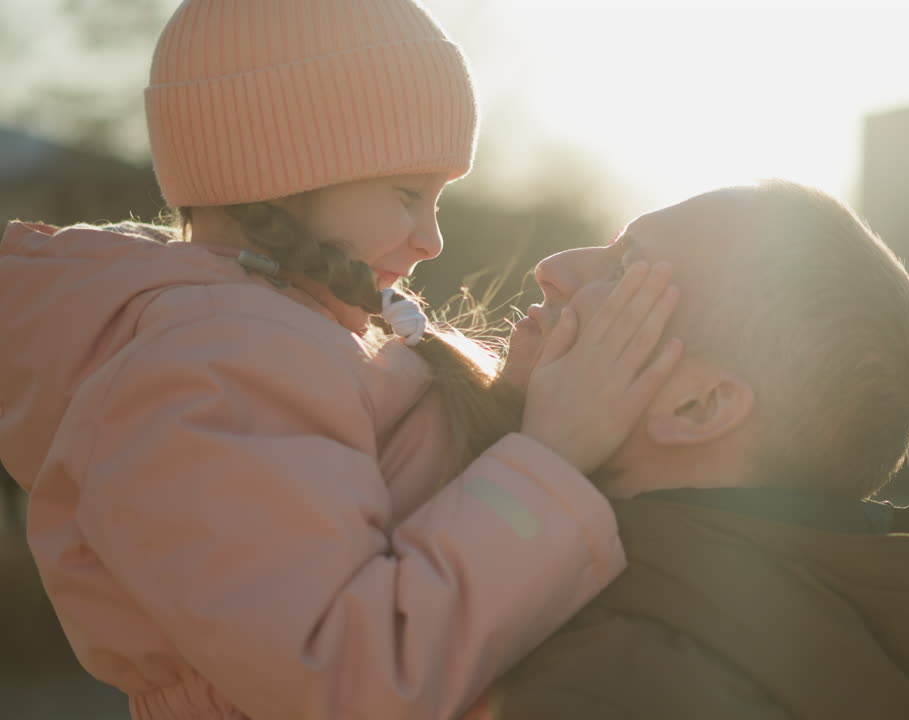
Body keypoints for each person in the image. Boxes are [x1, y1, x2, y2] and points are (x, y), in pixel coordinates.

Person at [0, 2, 682, 719]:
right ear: (282, 167)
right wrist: (553, 457)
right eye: (407, 194)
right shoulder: (216, 360)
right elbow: (345, 679)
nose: (433, 240)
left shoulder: (275, 340)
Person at [467, 180, 909, 719]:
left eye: (626, 269)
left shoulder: (612, 689)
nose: (553, 267)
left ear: (697, 407)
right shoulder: (890, 657)